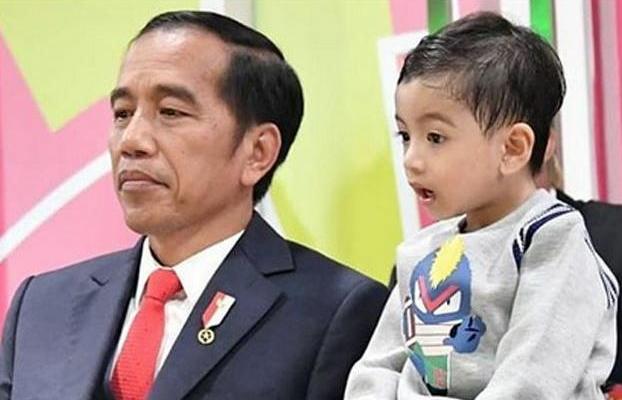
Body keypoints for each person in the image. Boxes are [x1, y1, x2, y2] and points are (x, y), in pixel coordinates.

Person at [0, 11, 388, 400]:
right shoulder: (42, 304)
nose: (131, 141)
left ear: (258, 152)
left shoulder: (336, 312)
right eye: (122, 114)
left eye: (170, 112)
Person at [345, 12, 618, 399]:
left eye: (435, 137)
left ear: (513, 148)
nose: (411, 159)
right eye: (405, 135)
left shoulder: (551, 238)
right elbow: (377, 368)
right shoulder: (422, 251)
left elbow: (531, 383)